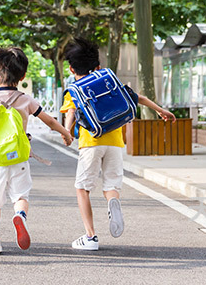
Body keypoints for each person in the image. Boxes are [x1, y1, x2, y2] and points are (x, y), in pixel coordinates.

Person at [61, 38, 175, 251]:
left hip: (90, 142)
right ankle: (113, 200)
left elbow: (71, 113)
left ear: (71, 68)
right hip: (115, 141)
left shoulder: (74, 89)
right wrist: (161, 110)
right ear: (97, 67)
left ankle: (90, 237)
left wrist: (67, 133)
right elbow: (137, 97)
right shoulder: (107, 80)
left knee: (82, 188)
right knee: (111, 185)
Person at [0, 46, 72, 255]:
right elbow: (49, 120)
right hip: (19, 158)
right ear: (22, 76)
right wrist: (65, 133)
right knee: (21, 196)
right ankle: (20, 216)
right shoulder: (26, 100)